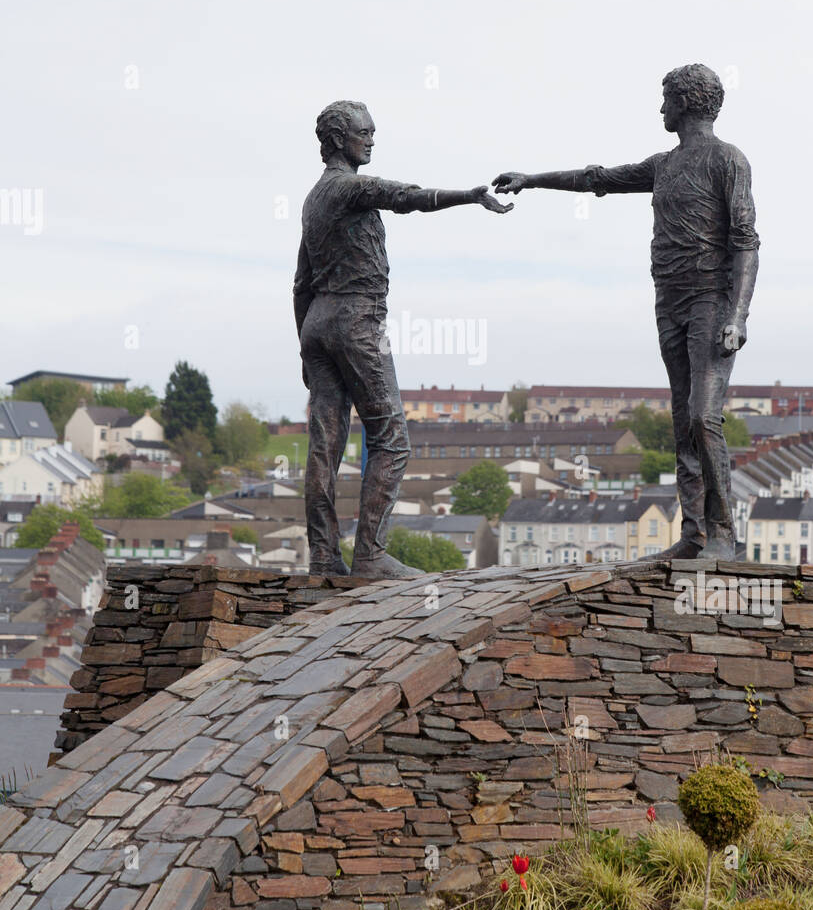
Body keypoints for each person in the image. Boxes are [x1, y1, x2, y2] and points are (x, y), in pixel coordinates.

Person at [493, 64, 759, 561]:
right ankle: (696, 533)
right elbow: (599, 179)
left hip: (710, 299)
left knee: (704, 417)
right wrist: (531, 180)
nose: (661, 109)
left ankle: (723, 534)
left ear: (686, 102)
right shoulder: (664, 164)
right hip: (670, 301)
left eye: (666, 99)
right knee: (682, 422)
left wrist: (737, 315)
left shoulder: (728, 160)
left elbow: (746, 242)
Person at [295, 99, 512, 578]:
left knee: (324, 447)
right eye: (364, 133)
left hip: (318, 324)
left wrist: (305, 352)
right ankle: (370, 556)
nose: (372, 139)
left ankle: (324, 557)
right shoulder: (350, 188)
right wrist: (468, 195)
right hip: (356, 321)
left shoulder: (314, 198)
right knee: (391, 439)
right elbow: (408, 197)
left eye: (373, 132)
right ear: (338, 140)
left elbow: (300, 283)